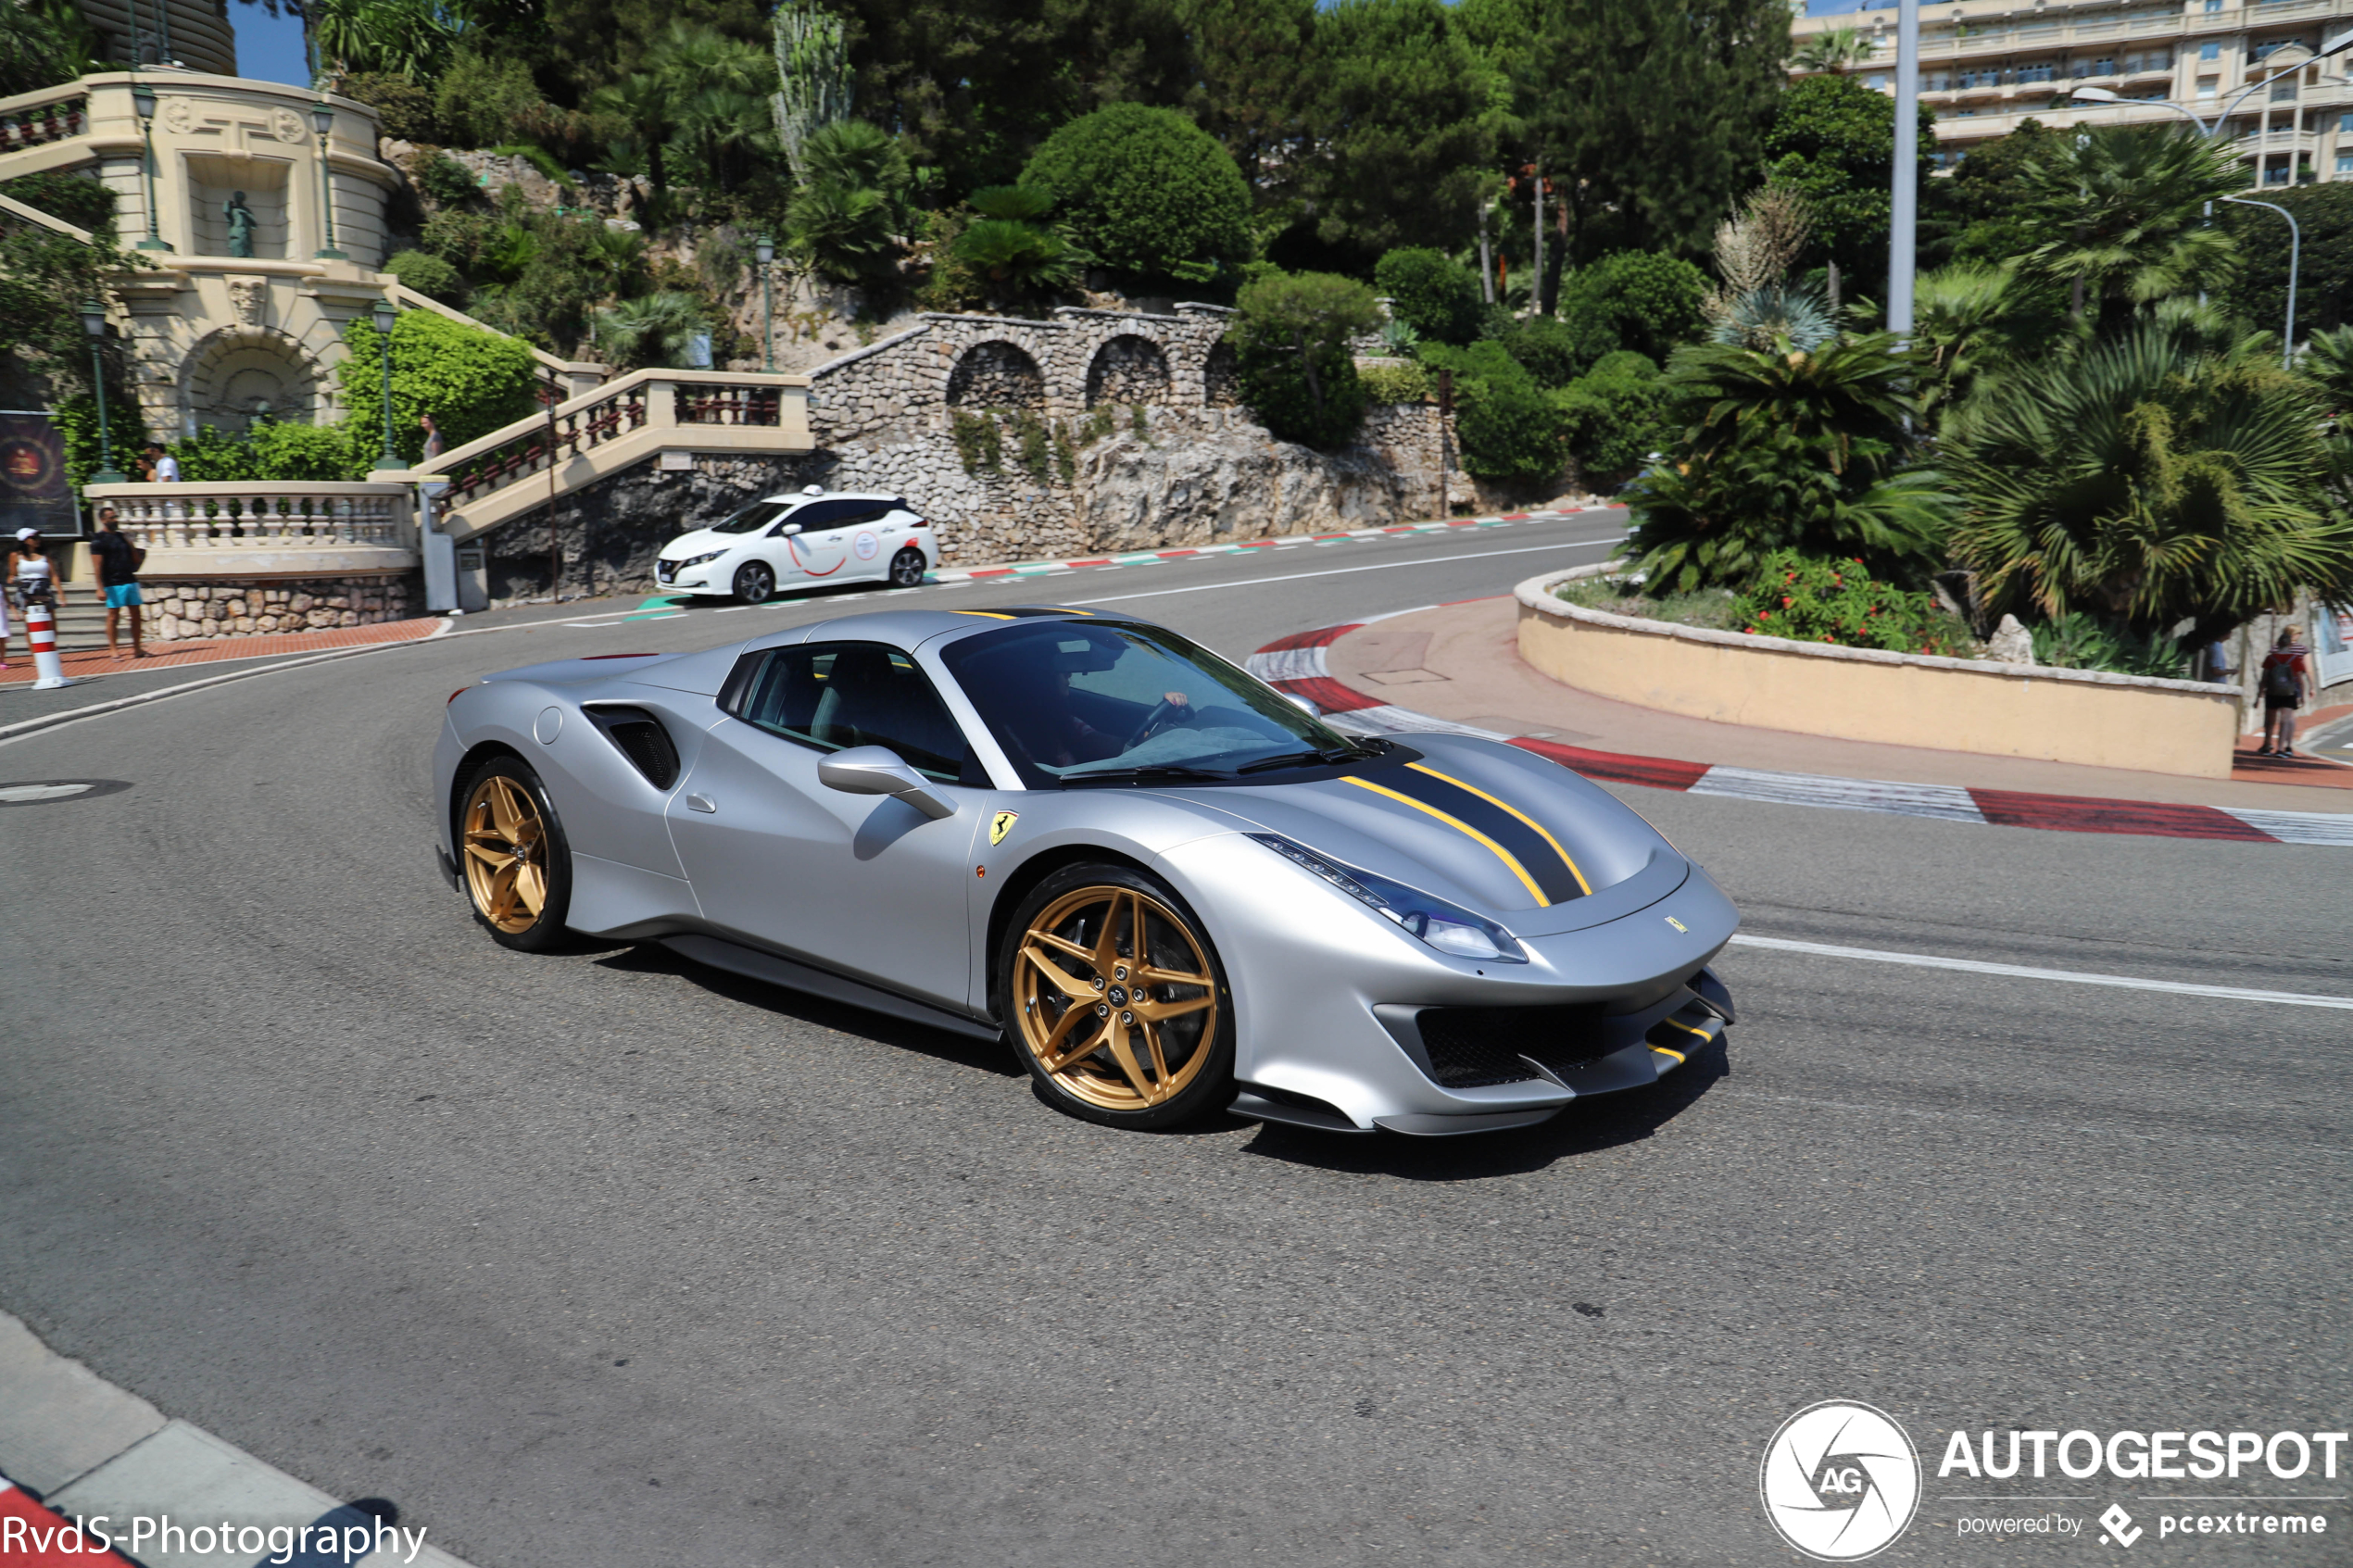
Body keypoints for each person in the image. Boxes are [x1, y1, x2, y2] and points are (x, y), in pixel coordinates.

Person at [87, 506, 149, 658]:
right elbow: (97, 566)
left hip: (129, 579)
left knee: (136, 614)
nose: (115, 520)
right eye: (111, 517)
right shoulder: (98, 540)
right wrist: (100, 588)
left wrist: (130, 542)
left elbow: (136, 559)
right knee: (113, 616)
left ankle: (137, 648)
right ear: (103, 520)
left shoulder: (122, 537)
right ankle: (113, 649)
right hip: (112, 583)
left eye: (115, 517)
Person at [6, 528, 65, 667]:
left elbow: (53, 575)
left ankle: (50, 650)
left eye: (38, 537)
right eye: (34, 537)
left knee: (50, 623)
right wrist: (12, 578)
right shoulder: (15, 555)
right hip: (26, 590)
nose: (38, 540)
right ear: (25, 540)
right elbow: (11, 575)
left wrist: (61, 593)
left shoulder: (45, 555)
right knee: (30, 624)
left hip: (43, 588)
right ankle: (35, 654)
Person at [2258, 625, 2310, 757]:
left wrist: (2259, 696)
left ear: (2278, 643)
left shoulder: (2271, 658)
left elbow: (2264, 678)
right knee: (2285, 720)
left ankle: (2266, 745)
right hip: (2289, 693)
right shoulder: (2295, 659)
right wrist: (2302, 696)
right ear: (2289, 645)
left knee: (2270, 720)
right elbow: (2299, 679)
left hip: (2272, 692)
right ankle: (2281, 749)